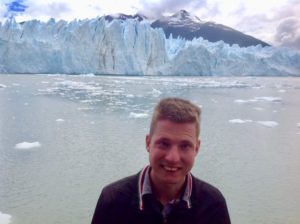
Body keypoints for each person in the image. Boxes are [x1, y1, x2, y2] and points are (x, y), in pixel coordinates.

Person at [91, 97, 230, 224]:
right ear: (148, 143)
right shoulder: (113, 201)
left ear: (197, 148)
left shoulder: (212, 205)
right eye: (164, 144)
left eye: (185, 146)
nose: (173, 158)